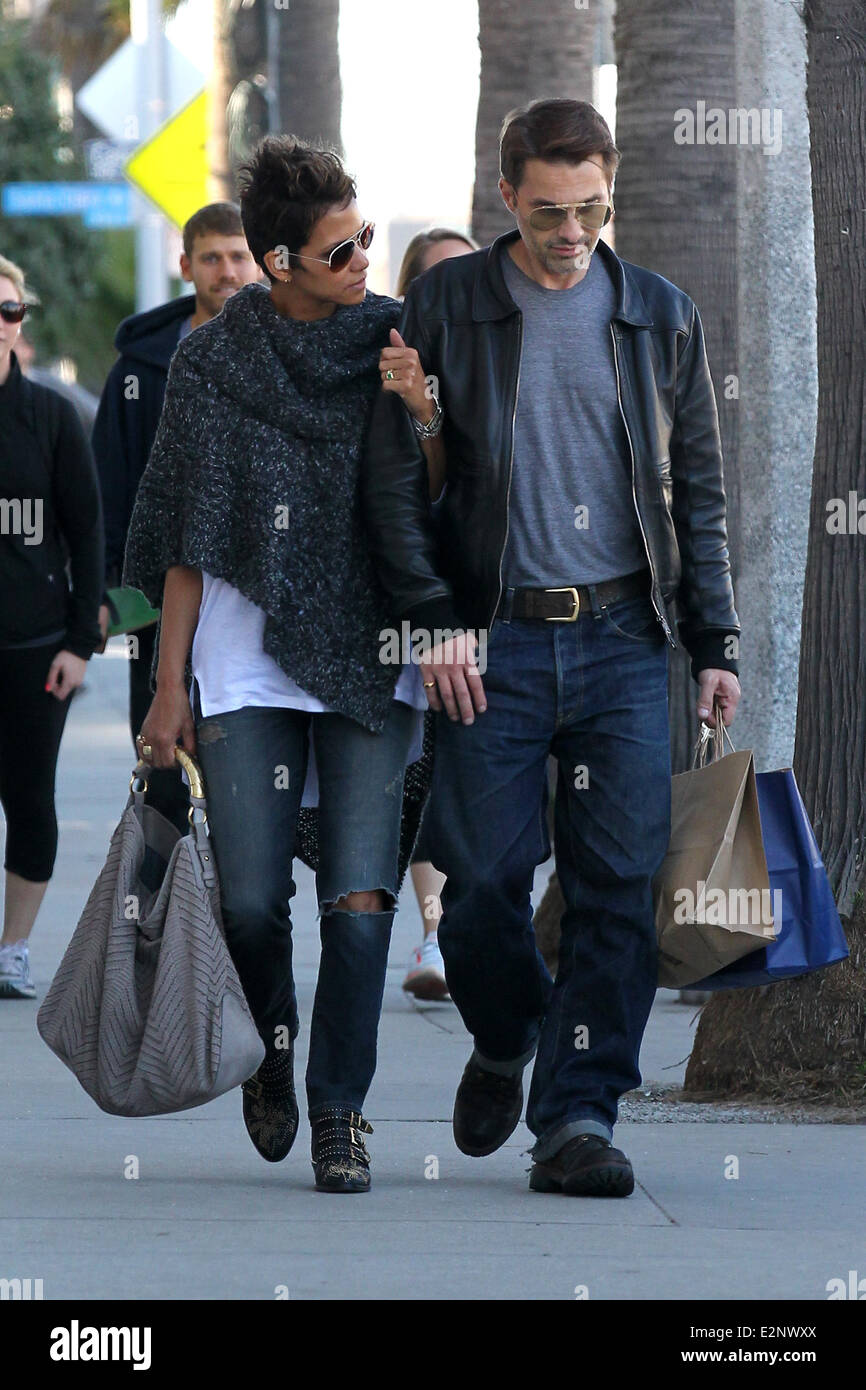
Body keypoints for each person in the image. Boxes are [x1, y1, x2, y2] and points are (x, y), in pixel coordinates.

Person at [363, 98, 741, 1197]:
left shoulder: (656, 314)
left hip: (627, 639)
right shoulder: (444, 304)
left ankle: (576, 1114)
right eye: (547, 211)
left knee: (616, 886)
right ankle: (505, 1032)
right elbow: (396, 483)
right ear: (504, 196)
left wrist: (711, 635)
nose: (570, 232)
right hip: (491, 638)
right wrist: (434, 616)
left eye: (590, 209)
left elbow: (696, 494)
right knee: (479, 882)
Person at [123, 137, 438, 1194]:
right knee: (251, 900)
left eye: (367, 238)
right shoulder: (214, 361)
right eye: (340, 247)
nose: (362, 258)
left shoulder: (394, 334)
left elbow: (446, 493)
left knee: (360, 898)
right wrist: (167, 686)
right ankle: (270, 1045)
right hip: (244, 663)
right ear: (278, 262)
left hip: (370, 654)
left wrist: (421, 410)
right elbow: (182, 530)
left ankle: (339, 1113)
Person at [91, 202, 262, 831]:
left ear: (263, 261)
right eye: (212, 257)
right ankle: (170, 917)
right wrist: (113, 592)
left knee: (251, 789)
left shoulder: (290, 352)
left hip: (256, 602)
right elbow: (108, 484)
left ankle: (234, 915)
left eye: (239, 255)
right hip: (159, 600)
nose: (227, 270)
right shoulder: (140, 371)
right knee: (166, 769)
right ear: (186, 264)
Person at [0, 255, 104, 998]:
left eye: (10, 309)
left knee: (29, 797)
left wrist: (79, 642)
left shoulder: (50, 415)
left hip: (35, 646)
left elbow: (87, 530)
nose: (1, 322)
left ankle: (12, 948)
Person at [389, 228, 478, 1002]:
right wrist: (420, 407)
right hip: (420, 597)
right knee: (426, 762)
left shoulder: (503, 352)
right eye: (436, 279)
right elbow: (417, 493)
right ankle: (434, 931)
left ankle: (469, 928)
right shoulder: (392, 368)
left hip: (497, 597)